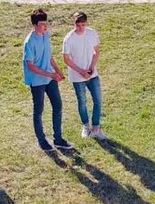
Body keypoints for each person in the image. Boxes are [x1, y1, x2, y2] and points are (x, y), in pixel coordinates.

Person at [22, 10, 73, 152]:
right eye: (42, 24)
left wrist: (57, 70)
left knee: (58, 105)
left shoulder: (45, 36)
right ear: (34, 25)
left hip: (50, 77)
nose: (45, 26)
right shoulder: (29, 42)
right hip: (37, 81)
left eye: (46, 23)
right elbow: (30, 65)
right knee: (38, 110)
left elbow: (49, 56)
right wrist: (50, 74)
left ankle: (58, 139)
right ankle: (42, 140)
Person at [62, 12, 107, 140]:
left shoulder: (91, 33)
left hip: (92, 74)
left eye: (83, 24)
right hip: (77, 76)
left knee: (97, 100)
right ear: (74, 24)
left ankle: (96, 128)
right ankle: (86, 126)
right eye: (78, 25)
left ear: (86, 23)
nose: (81, 28)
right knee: (82, 102)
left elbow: (96, 51)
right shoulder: (69, 39)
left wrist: (91, 67)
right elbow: (66, 59)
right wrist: (81, 71)